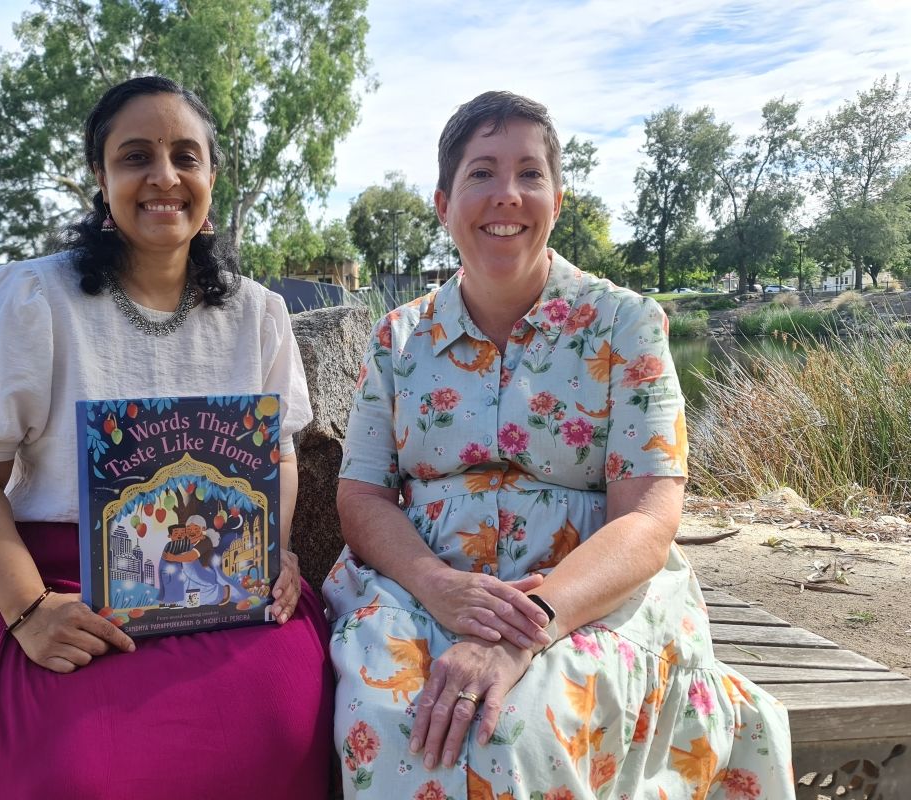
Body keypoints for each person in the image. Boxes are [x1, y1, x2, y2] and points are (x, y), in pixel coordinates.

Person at [0, 76, 332, 799]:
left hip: (227, 583)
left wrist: (275, 549)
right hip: (61, 584)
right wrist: (30, 612)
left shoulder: (258, 314)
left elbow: (280, 454)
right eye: (136, 156)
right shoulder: (30, 301)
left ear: (211, 178)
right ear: (101, 180)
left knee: (283, 724)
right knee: (80, 769)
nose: (163, 176)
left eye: (186, 156)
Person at [323, 91, 795, 799]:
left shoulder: (626, 325)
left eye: (529, 173)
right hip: (421, 584)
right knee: (394, 719)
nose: (506, 194)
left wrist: (529, 627)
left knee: (523, 725)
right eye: (481, 173)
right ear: (443, 203)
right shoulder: (397, 337)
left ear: (558, 198)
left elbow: (649, 515)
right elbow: (361, 494)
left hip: (587, 595)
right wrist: (440, 588)